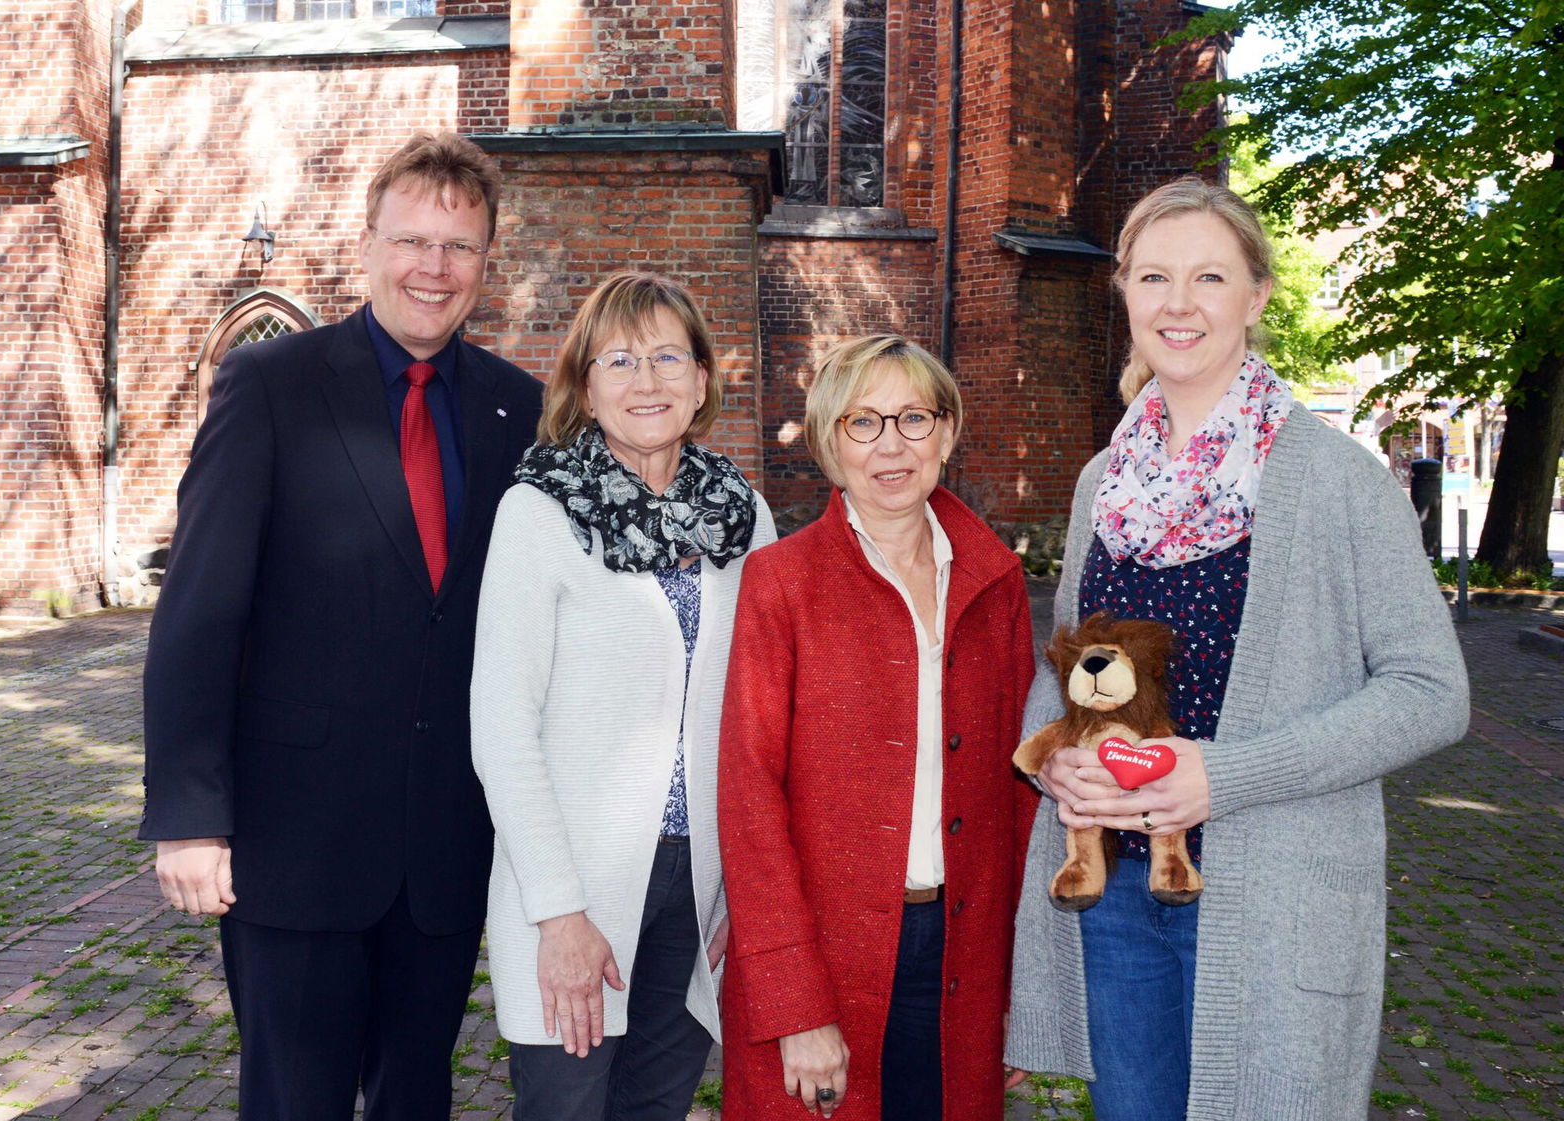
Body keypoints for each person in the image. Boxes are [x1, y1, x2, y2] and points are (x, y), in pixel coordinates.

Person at [1003, 177, 1470, 1120]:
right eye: (1154, 277)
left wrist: (1225, 775)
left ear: (1255, 297)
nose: (1179, 304)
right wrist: (1056, 758)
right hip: (1119, 894)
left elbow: (1431, 691)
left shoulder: (1338, 480)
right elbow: (1077, 660)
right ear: (1125, 294)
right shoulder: (1107, 478)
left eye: (1209, 277)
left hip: (1267, 900)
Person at [140, 131, 543, 1120]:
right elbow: (199, 606)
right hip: (295, 837)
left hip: (445, 840)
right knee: (294, 1100)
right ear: (365, 243)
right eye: (411, 240)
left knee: (416, 1098)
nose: (432, 268)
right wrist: (191, 809)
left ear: (486, 262)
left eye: (459, 247)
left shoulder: (516, 408)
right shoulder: (272, 384)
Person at [469, 272, 776, 1121]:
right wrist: (560, 913)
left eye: (669, 356)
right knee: (567, 1108)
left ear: (704, 380)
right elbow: (502, 726)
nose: (648, 381)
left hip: (699, 884)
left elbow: (762, 719)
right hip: (576, 883)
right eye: (622, 359)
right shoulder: (540, 511)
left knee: (657, 1107)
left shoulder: (743, 517)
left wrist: (745, 894)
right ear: (585, 385)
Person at [718, 335, 1037, 1121]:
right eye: (863, 422)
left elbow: (1025, 797)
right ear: (831, 443)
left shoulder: (997, 583)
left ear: (948, 433)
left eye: (913, 418)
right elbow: (749, 799)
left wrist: (1024, 991)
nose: (891, 444)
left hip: (964, 953)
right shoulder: (781, 583)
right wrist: (795, 1006)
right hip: (825, 954)